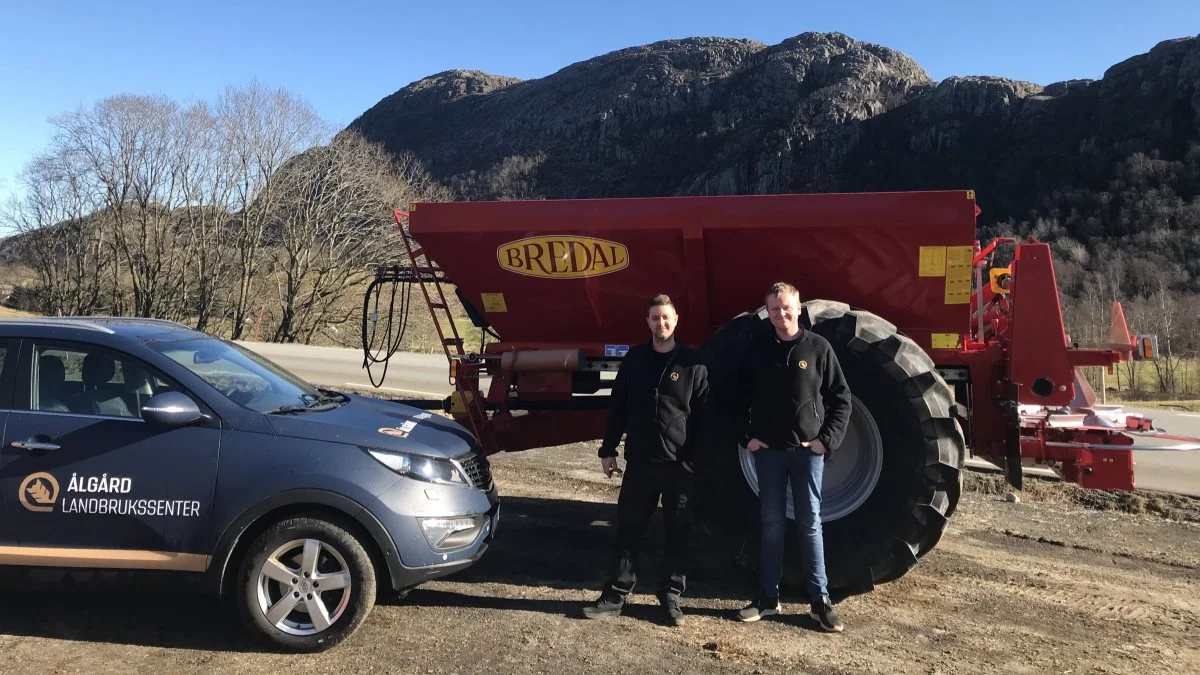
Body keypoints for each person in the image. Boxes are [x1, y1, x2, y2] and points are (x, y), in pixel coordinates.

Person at [582, 293, 710, 626]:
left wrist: (694, 458)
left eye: (666, 317)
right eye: (655, 318)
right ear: (647, 322)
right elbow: (618, 408)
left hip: (679, 467)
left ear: (676, 319)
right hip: (640, 464)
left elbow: (707, 417)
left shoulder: (693, 364)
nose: (661, 323)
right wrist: (607, 450)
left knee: (678, 533)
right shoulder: (634, 360)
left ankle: (670, 598)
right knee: (629, 531)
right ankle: (615, 595)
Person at [736, 282, 852, 632]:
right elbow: (736, 399)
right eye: (774, 309)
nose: (781, 314)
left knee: (810, 525)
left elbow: (841, 399)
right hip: (768, 454)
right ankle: (767, 599)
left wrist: (825, 441)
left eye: (786, 307)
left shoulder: (818, 348)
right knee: (771, 525)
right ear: (767, 312)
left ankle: (820, 602)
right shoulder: (757, 351)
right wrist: (747, 437)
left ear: (799, 307)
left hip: (807, 455)